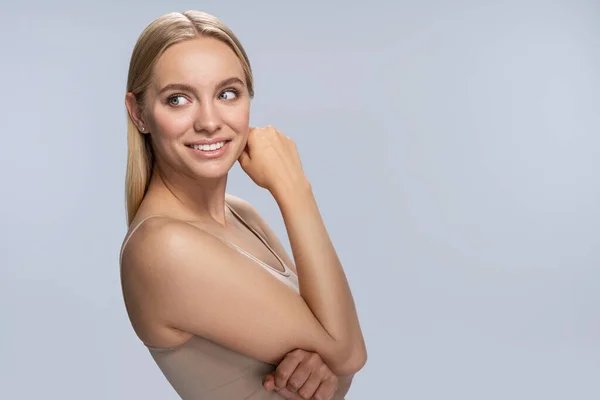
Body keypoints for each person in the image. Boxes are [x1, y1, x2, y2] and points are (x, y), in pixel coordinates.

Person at [119, 10, 367, 400]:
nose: (209, 121)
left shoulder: (241, 215)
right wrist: (292, 187)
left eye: (227, 93)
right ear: (139, 113)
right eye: (179, 99)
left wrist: (323, 356)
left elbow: (336, 360)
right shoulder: (165, 246)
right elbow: (349, 354)